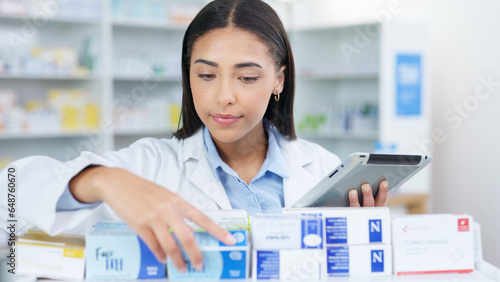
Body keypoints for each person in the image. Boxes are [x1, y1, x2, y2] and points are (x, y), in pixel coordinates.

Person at [0, 0, 388, 274]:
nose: (223, 95)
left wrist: (359, 246)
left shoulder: (321, 168)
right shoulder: (149, 165)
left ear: (279, 80)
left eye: (247, 77)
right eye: (206, 75)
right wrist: (102, 179)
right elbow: (9, 196)